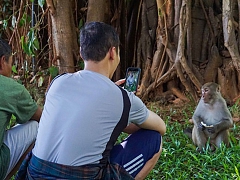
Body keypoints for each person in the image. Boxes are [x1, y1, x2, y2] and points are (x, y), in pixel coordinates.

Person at [15, 22, 166, 180]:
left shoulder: (58, 82)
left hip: (33, 174)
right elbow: (160, 127)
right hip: (80, 177)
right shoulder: (122, 98)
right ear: (113, 53)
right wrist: (124, 104)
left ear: (81, 52)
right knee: (153, 138)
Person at [0, 38, 42, 179]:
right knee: (35, 127)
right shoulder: (10, 87)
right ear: (2, 62)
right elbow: (42, 118)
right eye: (10, 64)